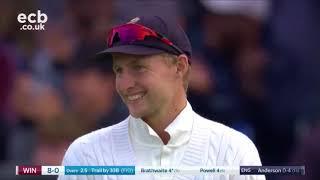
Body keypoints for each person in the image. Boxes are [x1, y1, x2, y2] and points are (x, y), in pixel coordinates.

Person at [59, 16, 265, 180]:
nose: (125, 84)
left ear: (180, 67)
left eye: (139, 68)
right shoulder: (86, 154)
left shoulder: (233, 150)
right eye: (119, 70)